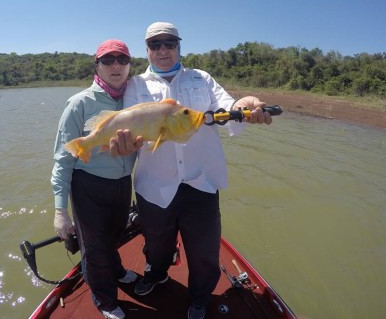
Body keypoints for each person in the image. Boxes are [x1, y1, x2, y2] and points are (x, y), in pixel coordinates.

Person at [109, 22, 273, 319]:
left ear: (179, 46)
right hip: (154, 185)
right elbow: (128, 130)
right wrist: (123, 144)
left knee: (205, 250)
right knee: (157, 243)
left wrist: (244, 106)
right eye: (155, 44)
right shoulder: (134, 86)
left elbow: (228, 108)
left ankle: (199, 298)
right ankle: (156, 274)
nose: (163, 50)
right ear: (146, 50)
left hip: (201, 181)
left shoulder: (202, 79)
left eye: (169, 43)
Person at [51, 39, 138, 319]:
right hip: (88, 184)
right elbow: (63, 159)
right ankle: (105, 300)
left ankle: (116, 270)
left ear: (129, 66)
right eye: (108, 60)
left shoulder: (135, 99)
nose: (116, 66)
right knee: (96, 246)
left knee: (116, 234)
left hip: (124, 183)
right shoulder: (79, 103)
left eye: (122, 60)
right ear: (97, 66)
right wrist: (60, 211)